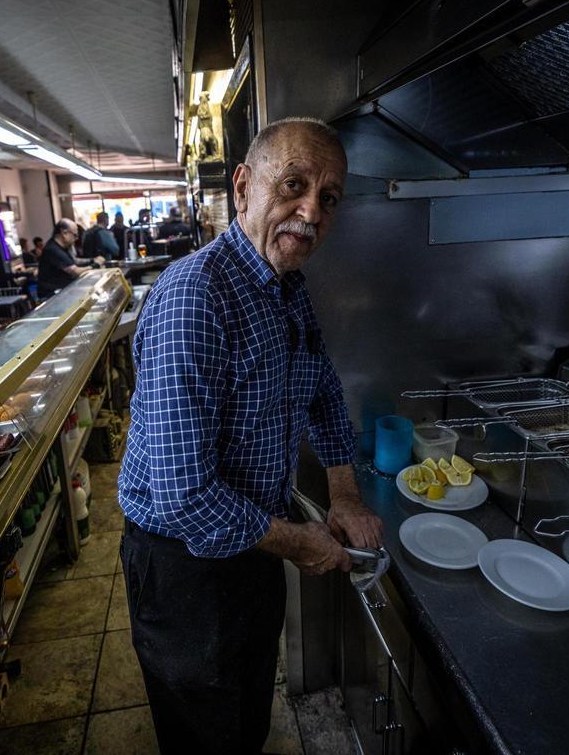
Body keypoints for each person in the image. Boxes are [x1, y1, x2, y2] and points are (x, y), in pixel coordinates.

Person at [118, 117, 382, 753]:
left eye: (328, 198)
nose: (310, 212)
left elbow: (322, 389)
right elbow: (183, 496)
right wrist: (296, 542)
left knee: (246, 716)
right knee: (205, 731)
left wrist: (344, 495)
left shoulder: (286, 287)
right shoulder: (195, 298)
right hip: (184, 569)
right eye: (293, 185)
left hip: (255, 541)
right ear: (243, 187)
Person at [36, 219, 105, 299]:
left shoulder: (62, 247)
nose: (77, 238)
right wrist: (96, 264)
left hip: (61, 291)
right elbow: (76, 272)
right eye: (75, 235)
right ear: (64, 233)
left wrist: (92, 260)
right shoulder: (53, 249)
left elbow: (73, 261)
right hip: (52, 296)